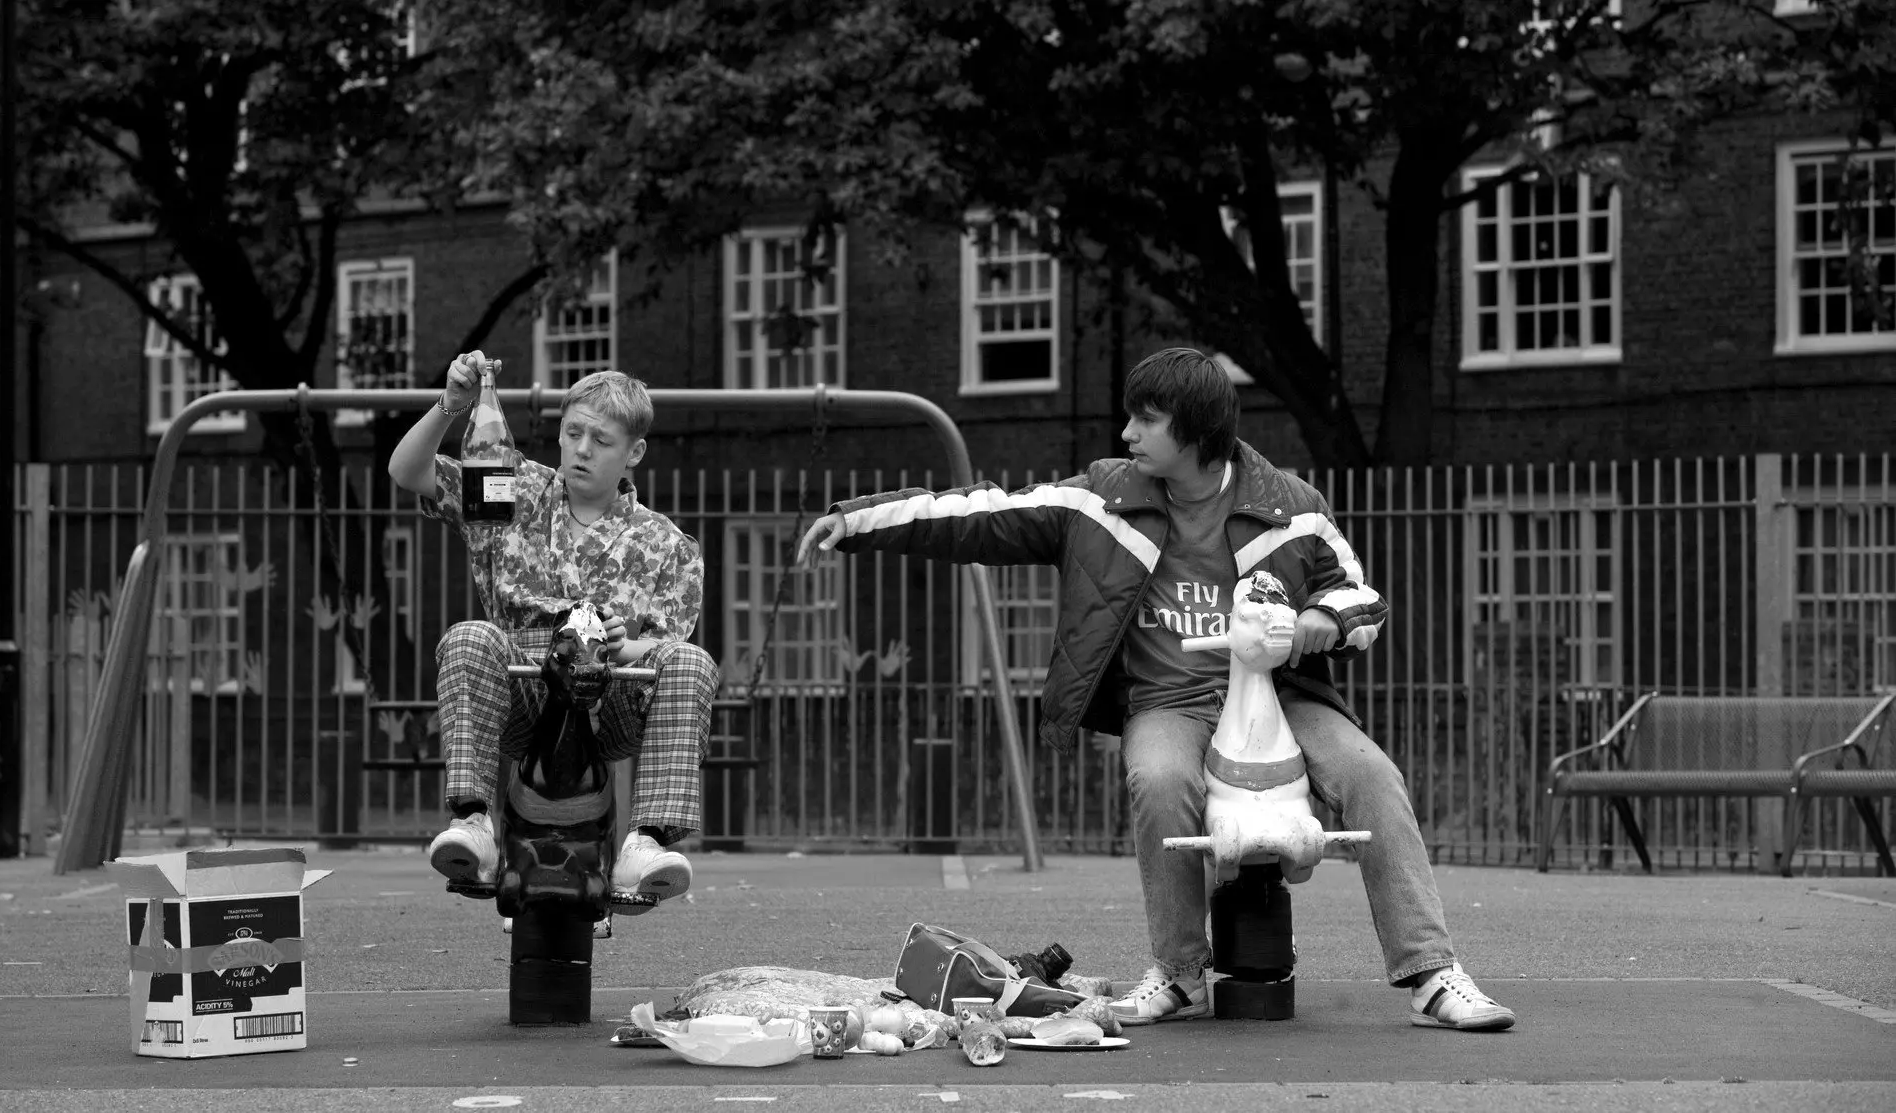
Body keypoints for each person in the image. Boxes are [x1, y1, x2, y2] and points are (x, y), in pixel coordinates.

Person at [796, 347, 1515, 1031]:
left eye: (1145, 419)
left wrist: (1312, 623)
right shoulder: (1101, 497)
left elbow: (1360, 594)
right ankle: (1178, 971)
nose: (1126, 431)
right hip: (1167, 702)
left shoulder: (1289, 505)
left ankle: (1431, 972)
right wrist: (852, 519)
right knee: (1158, 776)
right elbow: (981, 513)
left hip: (1280, 696)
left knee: (1371, 773)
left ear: (1196, 431)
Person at [388, 351, 717, 915]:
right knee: (470, 635)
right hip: (523, 688)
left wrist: (625, 646)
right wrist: (451, 406)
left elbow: (665, 647)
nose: (583, 450)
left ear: (634, 453)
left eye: (602, 440)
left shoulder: (669, 547)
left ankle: (647, 842)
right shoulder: (512, 490)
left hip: (609, 698)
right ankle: (473, 822)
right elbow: (407, 472)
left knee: (692, 661)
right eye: (573, 433)